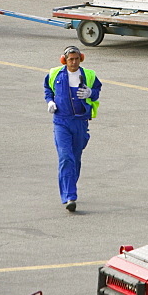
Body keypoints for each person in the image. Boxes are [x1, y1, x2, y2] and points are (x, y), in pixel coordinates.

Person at [44, 45, 102, 212]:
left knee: (75, 158)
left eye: (77, 59)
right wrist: (50, 101)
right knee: (65, 157)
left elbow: (97, 90)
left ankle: (70, 185)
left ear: (81, 59)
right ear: (65, 60)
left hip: (80, 122)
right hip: (61, 122)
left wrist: (91, 93)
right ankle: (70, 196)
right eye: (71, 59)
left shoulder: (89, 75)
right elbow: (48, 89)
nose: (74, 62)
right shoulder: (55, 74)